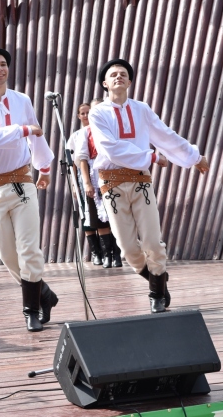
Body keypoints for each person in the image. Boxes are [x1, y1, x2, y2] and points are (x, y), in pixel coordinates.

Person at [88, 59, 210, 313]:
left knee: (153, 242)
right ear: (105, 83)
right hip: (111, 185)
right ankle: (159, 280)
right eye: (113, 74)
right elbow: (109, 149)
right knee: (129, 249)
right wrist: (151, 156)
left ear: (130, 82)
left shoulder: (141, 109)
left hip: (141, 182)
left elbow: (165, 135)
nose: (119, 77)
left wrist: (194, 158)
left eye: (124, 74)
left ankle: (155, 293)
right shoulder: (97, 112)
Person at [0, 48, 58, 332]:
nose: (0, 69)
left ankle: (31, 310)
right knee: (7, 254)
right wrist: (24, 130)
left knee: (29, 249)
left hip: (22, 182)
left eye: (4, 64)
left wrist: (44, 168)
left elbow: (38, 132)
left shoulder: (22, 100)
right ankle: (44, 294)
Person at [66, 102, 122, 268]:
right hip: (87, 177)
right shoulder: (77, 136)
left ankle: (115, 255)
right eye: (82, 113)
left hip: (105, 174)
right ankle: (99, 254)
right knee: (90, 216)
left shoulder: (103, 132)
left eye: (88, 112)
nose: (85, 115)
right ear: (78, 116)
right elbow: (74, 163)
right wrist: (77, 184)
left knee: (112, 215)